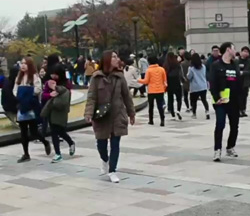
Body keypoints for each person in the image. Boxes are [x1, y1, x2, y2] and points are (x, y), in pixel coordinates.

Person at [84, 51, 136, 183]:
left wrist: (131, 113)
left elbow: (126, 96)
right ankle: (105, 160)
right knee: (101, 144)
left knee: (115, 144)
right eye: (113, 57)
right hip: (102, 116)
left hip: (117, 115)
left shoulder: (119, 77)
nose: (116, 59)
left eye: (116, 56)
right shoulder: (96, 77)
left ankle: (112, 170)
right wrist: (88, 113)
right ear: (107, 59)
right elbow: (91, 97)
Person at [13, 57, 51, 163]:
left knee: (34, 131)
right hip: (21, 106)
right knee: (23, 132)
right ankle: (26, 154)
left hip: (31, 106)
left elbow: (38, 89)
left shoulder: (34, 76)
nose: (23, 65)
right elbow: (15, 89)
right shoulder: (19, 77)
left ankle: (45, 142)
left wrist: (28, 93)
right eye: (22, 63)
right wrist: (19, 95)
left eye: (25, 63)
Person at [209, 42, 241, 162]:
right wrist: (216, 97)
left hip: (234, 100)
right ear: (228, 50)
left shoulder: (235, 64)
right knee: (220, 124)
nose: (235, 51)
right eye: (234, 48)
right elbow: (212, 82)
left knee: (234, 126)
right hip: (221, 101)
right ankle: (217, 150)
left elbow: (239, 82)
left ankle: (230, 147)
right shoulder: (216, 65)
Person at [42, 64, 75, 163]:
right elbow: (44, 95)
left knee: (60, 131)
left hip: (61, 110)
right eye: (52, 74)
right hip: (51, 109)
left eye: (55, 74)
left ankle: (70, 142)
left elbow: (66, 97)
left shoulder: (66, 84)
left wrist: (55, 88)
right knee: (54, 132)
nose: (53, 76)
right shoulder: (49, 82)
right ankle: (58, 153)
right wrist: (49, 94)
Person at [138, 56, 167, 126]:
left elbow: (146, 81)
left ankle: (151, 120)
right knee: (160, 105)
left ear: (149, 62)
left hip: (151, 90)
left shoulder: (149, 70)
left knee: (151, 106)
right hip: (160, 90)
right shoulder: (162, 69)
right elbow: (164, 81)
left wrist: (138, 80)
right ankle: (162, 120)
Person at [187, 53, 210, 120]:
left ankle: (194, 114)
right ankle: (207, 112)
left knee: (194, 101)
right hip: (203, 86)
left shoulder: (191, 68)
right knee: (204, 100)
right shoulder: (203, 67)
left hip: (195, 87)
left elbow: (189, 77)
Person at [164, 52, 185, 120]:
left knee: (170, 99)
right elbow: (180, 73)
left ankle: (172, 112)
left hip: (169, 83)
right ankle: (178, 110)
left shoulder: (165, 65)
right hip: (177, 82)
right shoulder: (177, 64)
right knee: (179, 98)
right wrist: (183, 80)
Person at [238, 47, 250, 118]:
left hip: (245, 82)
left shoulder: (249, 62)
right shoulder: (236, 61)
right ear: (241, 52)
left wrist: (243, 73)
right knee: (237, 97)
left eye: (247, 52)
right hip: (237, 82)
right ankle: (238, 110)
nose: (245, 53)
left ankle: (243, 110)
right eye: (244, 51)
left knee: (244, 96)